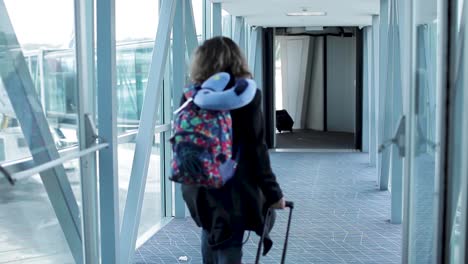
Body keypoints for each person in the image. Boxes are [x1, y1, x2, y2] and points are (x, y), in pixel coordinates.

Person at [181, 36, 285, 264]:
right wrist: (274, 194)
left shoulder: (192, 96)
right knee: (230, 246)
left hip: (197, 185)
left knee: (212, 233)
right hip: (233, 186)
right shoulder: (246, 96)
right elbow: (256, 149)